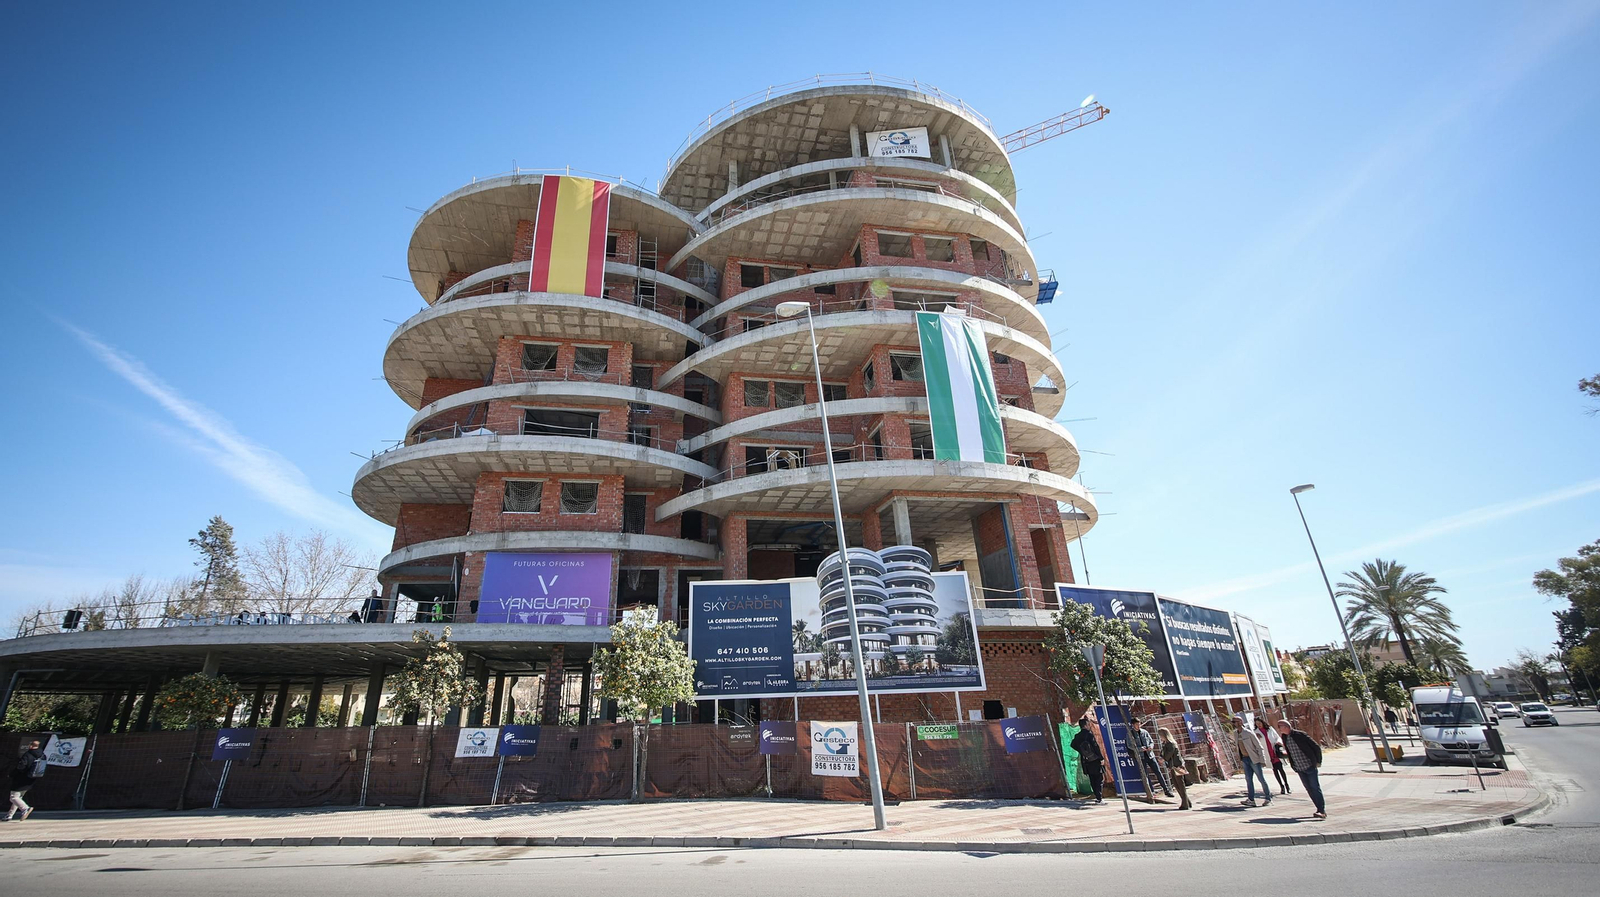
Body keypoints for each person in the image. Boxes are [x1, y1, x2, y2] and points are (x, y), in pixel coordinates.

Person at [1275, 718, 1327, 819]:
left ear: (1286, 726)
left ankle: (1321, 810)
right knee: (1309, 789)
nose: (1279, 729)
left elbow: (1315, 747)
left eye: (1280, 726)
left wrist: (1318, 761)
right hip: (1299, 768)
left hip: (1309, 765)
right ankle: (1318, 808)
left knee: (1315, 787)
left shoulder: (1300, 735)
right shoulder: (1284, 737)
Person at [1231, 715, 1273, 807]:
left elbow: (1259, 746)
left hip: (1253, 759)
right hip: (1245, 759)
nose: (1233, 723)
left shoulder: (1249, 733)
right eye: (1233, 722)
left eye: (1235, 721)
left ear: (1240, 722)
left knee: (1261, 778)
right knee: (1248, 779)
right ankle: (1251, 799)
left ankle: (1268, 798)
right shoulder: (1236, 733)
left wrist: (1262, 760)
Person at [1133, 718, 1175, 797]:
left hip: (1150, 755)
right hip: (1141, 756)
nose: (1138, 726)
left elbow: (1151, 741)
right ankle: (1149, 791)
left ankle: (1166, 790)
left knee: (1158, 772)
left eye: (1139, 724)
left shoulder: (1144, 732)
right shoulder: (1131, 734)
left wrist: (1150, 746)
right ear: (1133, 725)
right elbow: (1130, 745)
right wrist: (1140, 749)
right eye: (1136, 724)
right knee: (1145, 774)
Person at [6, 739, 46, 822]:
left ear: (30, 746)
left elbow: (21, 767)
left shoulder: (27, 754)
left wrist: (11, 774)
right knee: (19, 797)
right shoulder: (42, 755)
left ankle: (25, 809)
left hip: (21, 779)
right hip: (32, 778)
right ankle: (9, 815)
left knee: (13, 797)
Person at [1070, 713, 1106, 804]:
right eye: (1088, 724)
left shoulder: (1077, 736)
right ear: (1086, 725)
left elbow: (1072, 744)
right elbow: (1095, 746)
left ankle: (1097, 796)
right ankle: (1099, 797)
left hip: (1086, 760)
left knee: (1092, 779)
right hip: (1095, 760)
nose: (1089, 726)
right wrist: (1101, 758)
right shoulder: (1089, 735)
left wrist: (1082, 752)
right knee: (1099, 778)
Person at [1158, 728, 1193, 810]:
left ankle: (1185, 804)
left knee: (1180, 785)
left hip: (1177, 766)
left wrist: (1163, 759)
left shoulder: (1171, 743)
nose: (1160, 737)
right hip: (1172, 766)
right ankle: (1187, 802)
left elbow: (1169, 754)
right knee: (1177, 785)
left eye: (1161, 735)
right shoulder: (1165, 743)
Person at [1257, 717, 1292, 795]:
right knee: (1275, 770)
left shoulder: (1270, 729)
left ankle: (1287, 785)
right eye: (1257, 724)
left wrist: (1278, 742)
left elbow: (1277, 737)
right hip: (1268, 754)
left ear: (1263, 722)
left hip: (1275, 752)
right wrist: (1257, 737)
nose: (1258, 725)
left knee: (1281, 769)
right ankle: (1281, 786)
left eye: (1259, 723)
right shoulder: (1256, 732)